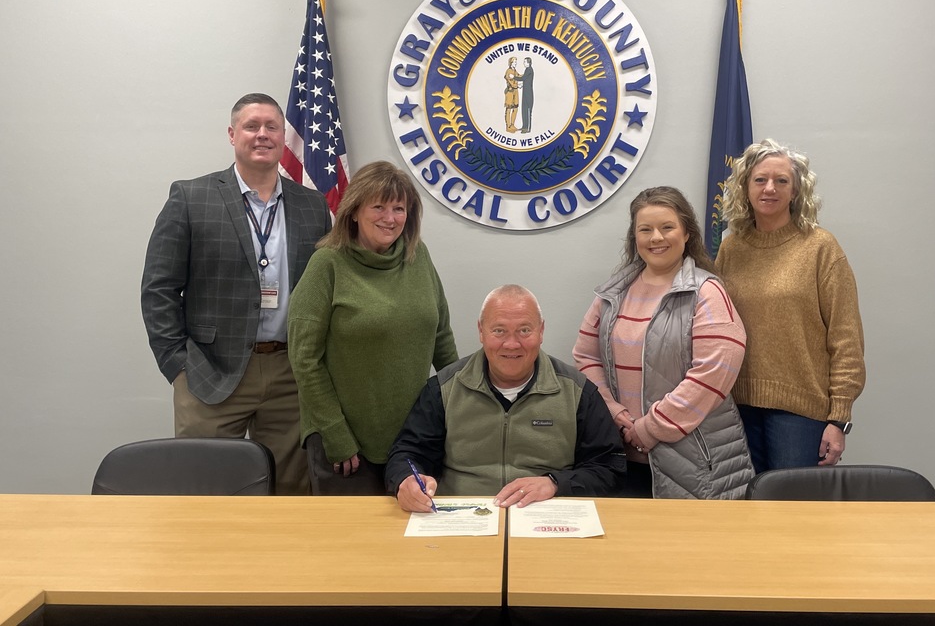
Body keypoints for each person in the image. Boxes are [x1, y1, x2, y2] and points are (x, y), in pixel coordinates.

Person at [140, 92, 332, 495]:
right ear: (232, 134)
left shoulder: (312, 205)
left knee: (290, 491)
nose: (262, 134)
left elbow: (324, 287)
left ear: (283, 137)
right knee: (203, 489)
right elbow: (159, 288)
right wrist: (177, 366)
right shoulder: (191, 197)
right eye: (251, 126)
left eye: (271, 127)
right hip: (211, 371)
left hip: (290, 374)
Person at [288, 161, 458, 495]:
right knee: (353, 529)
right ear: (354, 211)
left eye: (399, 208)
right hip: (346, 443)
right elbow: (304, 359)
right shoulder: (327, 264)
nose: (389, 218)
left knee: (413, 525)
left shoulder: (418, 256)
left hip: (413, 438)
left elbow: (442, 339)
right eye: (378, 206)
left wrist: (458, 410)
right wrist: (335, 432)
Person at [573, 187, 753, 499]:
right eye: (645, 229)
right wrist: (612, 411)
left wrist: (649, 428)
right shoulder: (614, 292)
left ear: (686, 233)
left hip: (692, 461)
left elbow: (713, 374)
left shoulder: (707, 292)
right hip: (620, 455)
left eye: (667, 227)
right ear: (635, 237)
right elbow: (585, 357)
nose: (656, 237)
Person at [386, 284, 626, 511]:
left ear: (541, 331)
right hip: (461, 515)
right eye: (499, 331)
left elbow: (609, 467)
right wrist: (406, 480)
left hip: (546, 516)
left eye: (524, 330)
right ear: (481, 331)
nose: (511, 344)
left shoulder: (578, 391)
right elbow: (408, 453)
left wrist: (555, 483)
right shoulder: (443, 388)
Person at [716, 138, 865, 473]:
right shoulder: (731, 249)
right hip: (736, 408)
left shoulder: (820, 248)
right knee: (744, 502)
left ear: (796, 191)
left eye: (781, 180)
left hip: (800, 413)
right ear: (745, 188)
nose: (770, 188)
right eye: (760, 179)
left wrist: (838, 418)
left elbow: (846, 338)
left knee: (791, 504)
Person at [503, 56, 521, 133]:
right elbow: (510, 82)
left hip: (515, 92)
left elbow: (519, 76)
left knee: (515, 108)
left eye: (516, 62)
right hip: (510, 92)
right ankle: (508, 126)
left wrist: (526, 75)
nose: (515, 63)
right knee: (509, 108)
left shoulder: (515, 71)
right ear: (510, 63)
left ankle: (512, 124)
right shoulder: (508, 71)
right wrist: (518, 85)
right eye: (514, 62)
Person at [519, 56, 534, 132]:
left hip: (528, 94)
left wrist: (513, 77)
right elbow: (526, 80)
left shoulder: (529, 69)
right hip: (525, 93)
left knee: (527, 111)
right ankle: (524, 126)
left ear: (528, 63)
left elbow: (523, 78)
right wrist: (522, 84)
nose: (523, 63)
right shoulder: (527, 70)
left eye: (525, 62)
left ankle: (527, 128)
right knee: (524, 110)